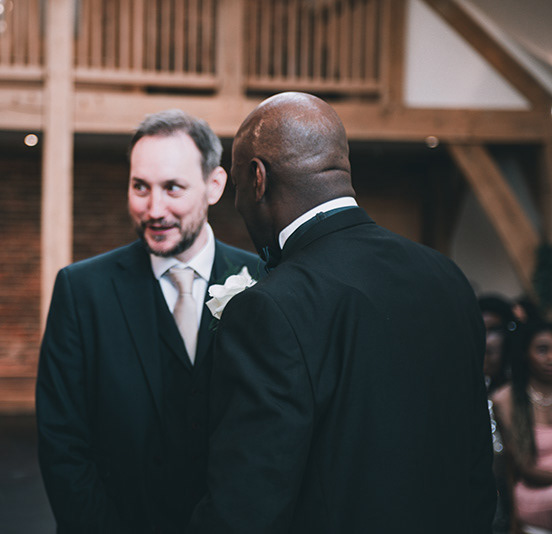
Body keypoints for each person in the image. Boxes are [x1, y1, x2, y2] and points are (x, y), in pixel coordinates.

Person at [188, 92, 496, 533]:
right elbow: (477, 468)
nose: (238, 204)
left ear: (258, 178)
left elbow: (248, 506)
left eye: (236, 187)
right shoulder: (446, 277)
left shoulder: (270, 307)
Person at [36, 109, 261, 533]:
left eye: (173, 188)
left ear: (214, 186)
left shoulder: (265, 282)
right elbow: (61, 442)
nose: (154, 209)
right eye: (140, 187)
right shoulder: (81, 290)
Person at [493, 321, 552, 533]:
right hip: (535, 493)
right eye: (542, 350)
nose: (551, 358)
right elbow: (523, 466)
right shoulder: (508, 398)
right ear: (526, 353)